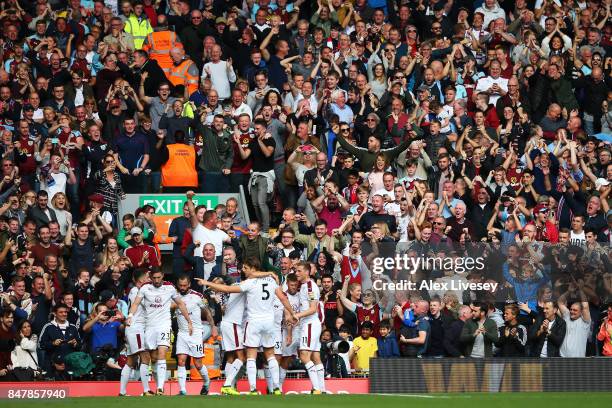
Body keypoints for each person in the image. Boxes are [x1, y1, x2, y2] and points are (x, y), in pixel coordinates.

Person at [197, 258, 291, 395]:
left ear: (252, 268)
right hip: (237, 324)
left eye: (245, 268)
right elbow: (282, 297)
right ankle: (231, 385)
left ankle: (235, 386)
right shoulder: (268, 281)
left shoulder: (247, 283)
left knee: (242, 356)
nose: (242, 270)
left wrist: (207, 282)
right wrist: (270, 274)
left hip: (242, 323)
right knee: (248, 356)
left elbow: (228, 288)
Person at [126, 269, 193, 395]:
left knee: (162, 353)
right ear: (150, 277)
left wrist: (189, 321)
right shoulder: (145, 288)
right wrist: (130, 315)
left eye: (158, 277)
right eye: (154, 278)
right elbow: (135, 303)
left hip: (164, 325)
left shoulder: (170, 288)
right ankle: (146, 389)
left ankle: (160, 388)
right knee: (150, 358)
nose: (156, 280)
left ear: (162, 275)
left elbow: (180, 304)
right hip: (149, 326)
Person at [175, 275, 214, 395]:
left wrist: (213, 327)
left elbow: (207, 312)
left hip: (196, 333)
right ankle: (182, 390)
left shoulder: (198, 296)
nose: (182, 288)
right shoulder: (174, 297)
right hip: (182, 333)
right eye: (180, 285)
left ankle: (207, 383)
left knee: (198, 364)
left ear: (189, 284)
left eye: (184, 285)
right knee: (181, 361)